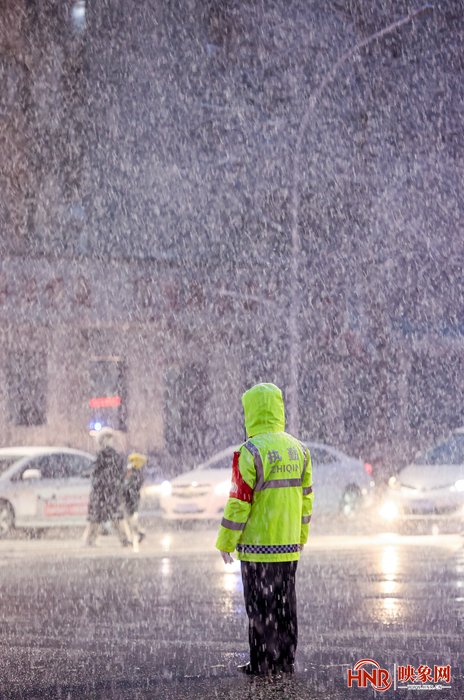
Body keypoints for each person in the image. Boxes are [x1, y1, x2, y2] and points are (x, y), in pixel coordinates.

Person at [215, 382, 314, 676]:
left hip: (258, 549)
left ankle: (261, 662)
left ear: (252, 413)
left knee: (259, 609)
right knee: (285, 606)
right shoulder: (299, 450)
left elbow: (239, 502)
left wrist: (226, 541)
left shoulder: (250, 452)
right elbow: (306, 501)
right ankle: (285, 659)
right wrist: (300, 538)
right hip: (287, 548)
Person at [84, 427, 131, 547]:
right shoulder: (112, 456)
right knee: (113, 517)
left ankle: (91, 539)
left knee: (98, 517)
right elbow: (120, 473)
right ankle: (124, 539)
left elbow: (94, 473)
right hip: (109, 491)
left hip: (103, 492)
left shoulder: (102, 457)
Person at [122, 452, 147, 552]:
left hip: (131, 499)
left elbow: (129, 486)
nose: (130, 463)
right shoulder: (134, 473)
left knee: (130, 518)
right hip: (131, 498)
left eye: (132, 461)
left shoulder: (135, 473)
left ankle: (137, 534)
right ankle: (136, 534)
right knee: (129, 518)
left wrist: (124, 489)